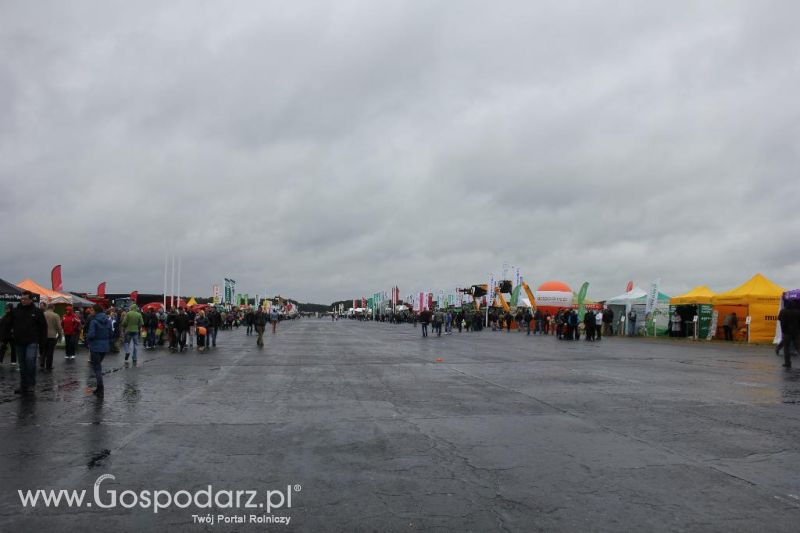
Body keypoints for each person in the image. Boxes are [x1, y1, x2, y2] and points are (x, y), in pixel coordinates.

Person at [0, 291, 47, 395]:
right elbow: (7, 324)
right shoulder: (15, 311)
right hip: (19, 342)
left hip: (32, 341)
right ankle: (23, 385)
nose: (23, 300)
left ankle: (31, 384)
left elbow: (43, 327)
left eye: (25, 299)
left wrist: (42, 342)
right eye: (22, 299)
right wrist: (4, 337)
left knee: (30, 361)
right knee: (22, 364)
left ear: (31, 300)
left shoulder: (37, 311)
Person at [86, 304, 112, 396]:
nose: (91, 311)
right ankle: (99, 388)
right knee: (98, 366)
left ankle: (100, 389)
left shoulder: (94, 322)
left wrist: (87, 339)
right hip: (104, 347)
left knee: (97, 368)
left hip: (95, 347)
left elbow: (91, 334)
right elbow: (110, 333)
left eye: (92, 310)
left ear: (96, 311)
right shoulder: (107, 320)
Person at [40, 304, 63, 371]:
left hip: (43, 335)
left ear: (47, 307)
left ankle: (42, 363)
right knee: (50, 351)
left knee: (44, 350)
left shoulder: (43, 314)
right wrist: (60, 335)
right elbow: (59, 326)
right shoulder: (56, 315)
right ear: (53, 308)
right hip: (52, 336)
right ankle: (48, 365)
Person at [777, 303, 799, 368]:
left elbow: (779, 318)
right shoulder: (798, 312)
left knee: (786, 348)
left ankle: (787, 363)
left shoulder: (783, 311)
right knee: (798, 347)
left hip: (786, 332)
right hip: (796, 332)